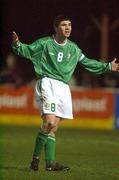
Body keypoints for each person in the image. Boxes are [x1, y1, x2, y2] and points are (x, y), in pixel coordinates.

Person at [12, 15, 119, 172]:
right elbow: (27, 50)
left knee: (53, 127)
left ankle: (50, 164)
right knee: (48, 122)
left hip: (63, 87)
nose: (67, 27)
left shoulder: (74, 49)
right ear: (56, 28)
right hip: (47, 83)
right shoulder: (45, 43)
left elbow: (87, 62)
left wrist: (108, 66)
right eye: (63, 25)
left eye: (69, 24)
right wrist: (17, 45)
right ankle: (35, 160)